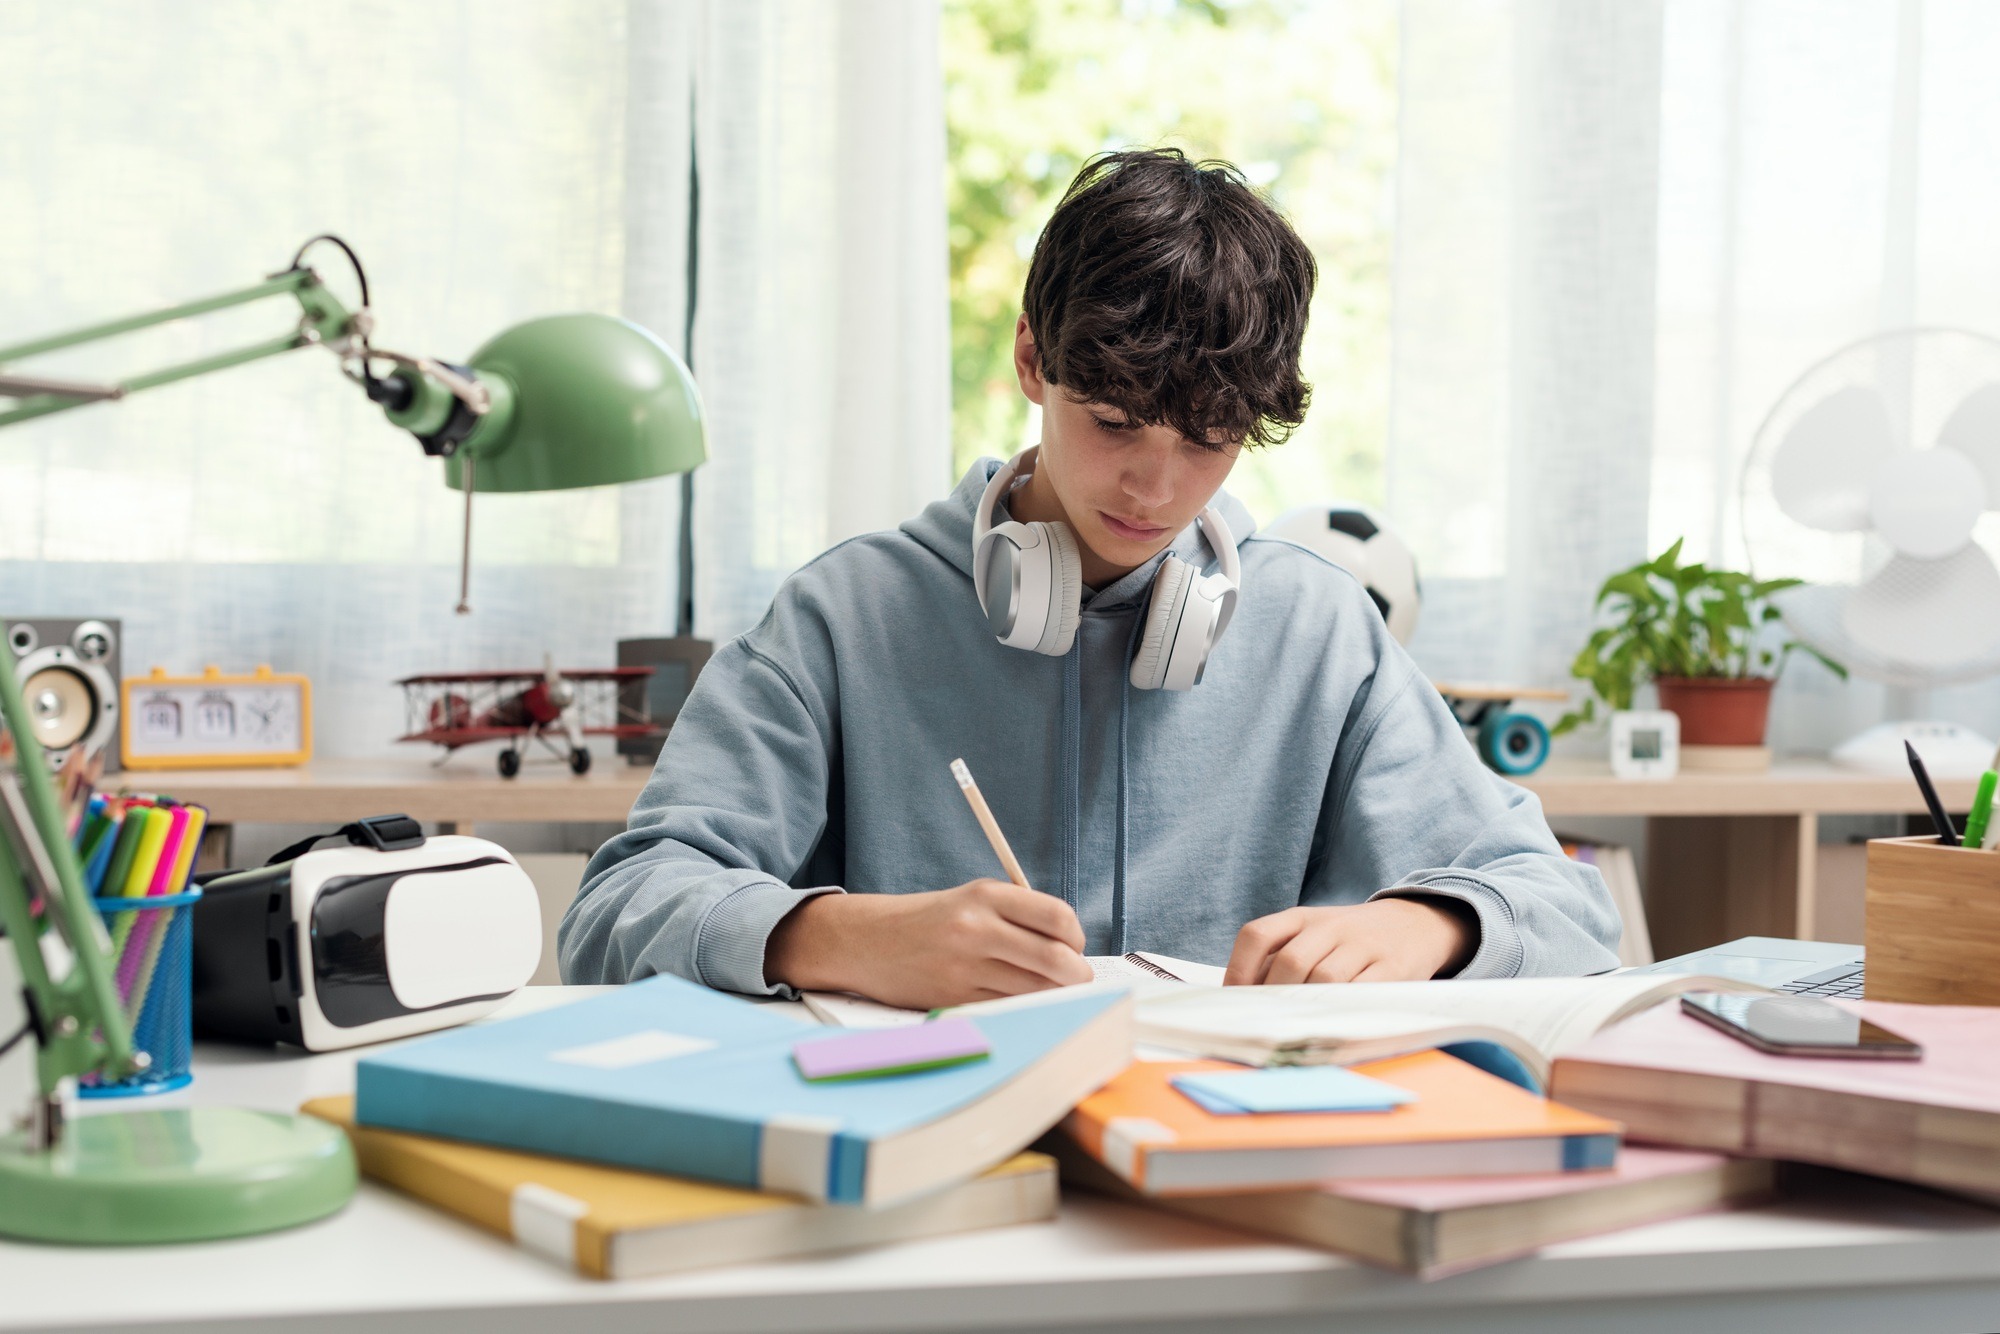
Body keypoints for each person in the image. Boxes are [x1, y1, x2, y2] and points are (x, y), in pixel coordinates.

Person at [561, 148, 1620, 1007]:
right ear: (1031, 359)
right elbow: (616, 909)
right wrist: (838, 934)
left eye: (1208, 441)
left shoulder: (1318, 629)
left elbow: (1564, 904)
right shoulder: (847, 615)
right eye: (1113, 423)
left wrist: (1425, 920)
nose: (1155, 489)